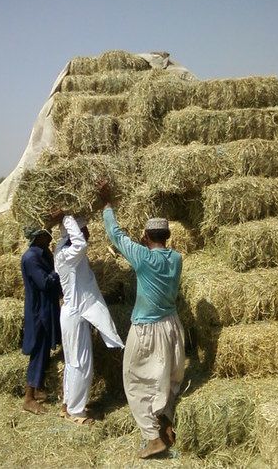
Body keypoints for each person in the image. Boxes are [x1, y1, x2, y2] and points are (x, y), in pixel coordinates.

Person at [99, 183, 185, 459]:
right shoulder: (177, 259)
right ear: (168, 236)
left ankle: (152, 437)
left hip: (147, 328)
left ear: (146, 235)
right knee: (167, 378)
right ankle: (166, 421)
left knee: (135, 379)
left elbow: (116, 235)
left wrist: (107, 205)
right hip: (172, 326)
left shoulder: (143, 257)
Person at [54, 214, 124, 425]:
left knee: (73, 362)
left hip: (74, 312)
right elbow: (81, 244)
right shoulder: (68, 254)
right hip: (74, 314)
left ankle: (68, 405)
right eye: (84, 229)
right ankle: (76, 411)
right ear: (75, 232)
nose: (88, 233)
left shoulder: (64, 251)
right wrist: (66, 217)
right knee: (80, 364)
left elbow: (81, 243)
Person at [21, 226, 62, 415]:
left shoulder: (43, 253)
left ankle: (38, 388)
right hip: (39, 312)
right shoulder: (31, 258)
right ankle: (28, 398)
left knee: (44, 349)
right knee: (38, 351)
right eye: (45, 233)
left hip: (47, 308)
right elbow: (44, 282)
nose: (49, 235)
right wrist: (60, 271)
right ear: (37, 237)